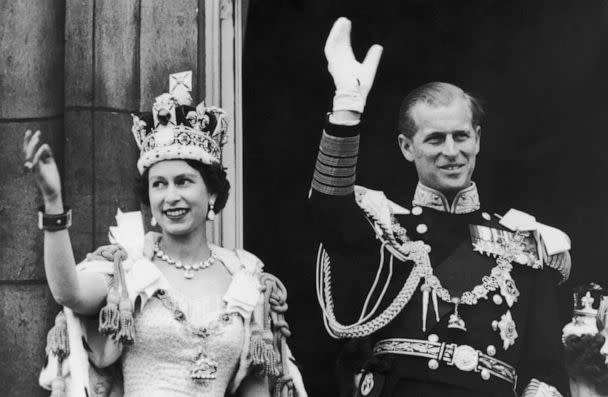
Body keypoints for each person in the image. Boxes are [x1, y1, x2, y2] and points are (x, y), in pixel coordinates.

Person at [311, 18, 572, 397]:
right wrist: (347, 108)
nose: (451, 152)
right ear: (406, 147)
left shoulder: (526, 244)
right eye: (435, 139)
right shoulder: (386, 230)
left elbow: (546, 369)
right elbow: (328, 213)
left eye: (460, 136)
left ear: (477, 139)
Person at [26, 72, 307, 397]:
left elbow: (254, 390)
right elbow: (68, 292)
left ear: (212, 195)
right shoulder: (126, 268)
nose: (170, 196)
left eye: (183, 181)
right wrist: (53, 203)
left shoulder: (245, 278)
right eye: (159, 184)